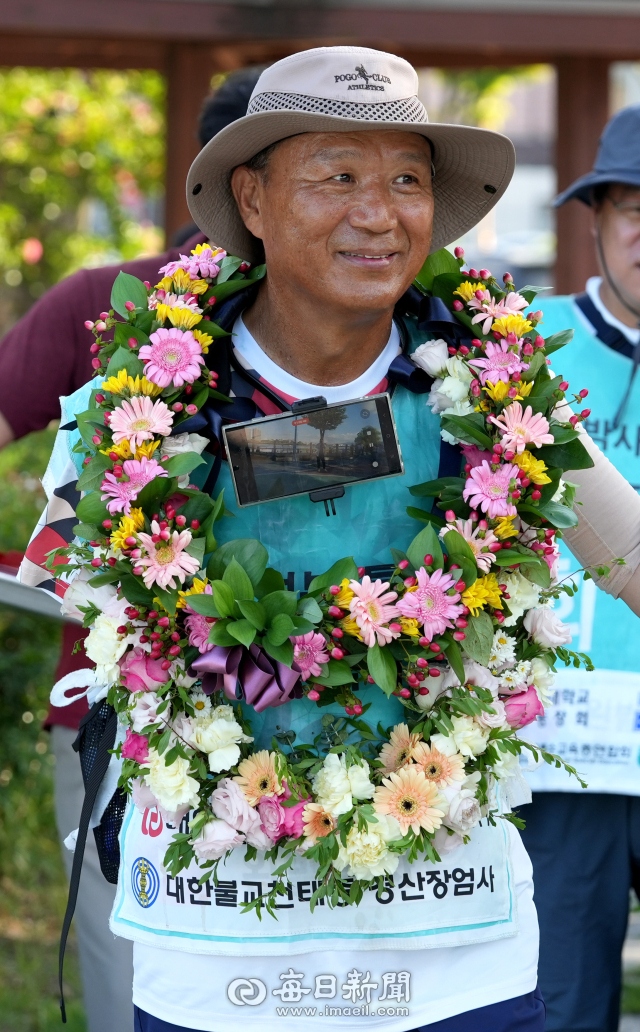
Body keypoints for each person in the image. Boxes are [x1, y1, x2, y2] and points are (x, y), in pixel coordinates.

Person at [77, 46, 640, 1032]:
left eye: (406, 180)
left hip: (450, 946)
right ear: (252, 198)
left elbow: (629, 554)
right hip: (222, 947)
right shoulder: (154, 392)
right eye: (337, 177)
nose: (379, 215)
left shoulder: (494, 379)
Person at [0, 67, 261, 1032]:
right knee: (128, 938)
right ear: (233, 180)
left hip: (327, 706)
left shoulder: (379, 326)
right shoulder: (103, 301)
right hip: (124, 702)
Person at [520, 104, 640, 1032]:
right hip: (563, 750)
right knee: (558, 1008)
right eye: (628, 202)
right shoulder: (524, 346)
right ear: (594, 219)